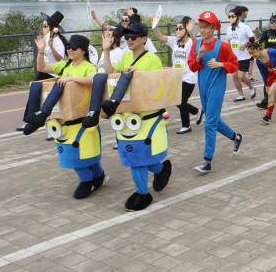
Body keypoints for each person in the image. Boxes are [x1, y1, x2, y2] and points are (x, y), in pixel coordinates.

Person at [22, 34, 107, 199]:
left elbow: (94, 79)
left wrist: (72, 79)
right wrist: (41, 51)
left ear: (83, 50)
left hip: (82, 116)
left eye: (74, 47)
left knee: (86, 153)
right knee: (75, 153)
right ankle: (96, 177)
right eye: (68, 47)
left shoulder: (88, 66)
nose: (70, 50)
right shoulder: (65, 64)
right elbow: (42, 69)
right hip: (65, 118)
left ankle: (88, 180)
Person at [101, 23, 172, 211]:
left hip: (145, 116)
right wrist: (106, 51)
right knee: (136, 156)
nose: (129, 40)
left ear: (144, 38)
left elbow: (158, 85)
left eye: (134, 36)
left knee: (137, 158)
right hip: (126, 115)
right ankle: (161, 169)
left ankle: (142, 193)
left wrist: (139, 74)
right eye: (127, 37)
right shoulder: (125, 56)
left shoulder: (152, 59)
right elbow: (111, 73)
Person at [187, 11, 242, 174]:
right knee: (214, 120)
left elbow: (234, 64)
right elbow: (192, 67)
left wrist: (221, 64)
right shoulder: (196, 45)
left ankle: (207, 161)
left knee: (209, 123)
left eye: (205, 27)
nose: (202, 30)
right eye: (201, 27)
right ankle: (235, 137)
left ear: (213, 28)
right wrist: (199, 57)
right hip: (202, 86)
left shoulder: (222, 46)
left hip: (217, 87)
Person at [153, 15, 201, 134]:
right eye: (176, 29)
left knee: (181, 101)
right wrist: (155, 24)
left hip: (189, 77)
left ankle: (186, 126)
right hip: (176, 77)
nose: (177, 31)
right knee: (177, 101)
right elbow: (160, 36)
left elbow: (199, 46)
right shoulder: (174, 41)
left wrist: (191, 32)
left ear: (186, 30)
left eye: (180, 28)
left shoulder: (190, 42)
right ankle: (197, 112)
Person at [248, 39, 276, 124]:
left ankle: (268, 116)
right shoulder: (258, 61)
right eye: (250, 54)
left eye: (253, 52)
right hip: (271, 75)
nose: (252, 55)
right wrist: (266, 85)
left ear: (259, 49)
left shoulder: (271, 51)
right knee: (272, 95)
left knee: (271, 92)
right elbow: (263, 74)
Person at [226, 6, 257, 102]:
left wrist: (245, 44)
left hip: (244, 56)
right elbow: (228, 42)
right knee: (234, 76)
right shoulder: (228, 29)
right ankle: (241, 94)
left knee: (240, 76)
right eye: (229, 16)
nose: (231, 18)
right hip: (233, 57)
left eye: (233, 16)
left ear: (238, 17)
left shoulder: (245, 27)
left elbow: (253, 40)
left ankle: (251, 87)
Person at [36, 11, 67, 80]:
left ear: (53, 28)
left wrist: (52, 47)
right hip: (44, 70)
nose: (44, 28)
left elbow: (59, 59)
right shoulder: (47, 38)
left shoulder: (58, 42)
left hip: (52, 73)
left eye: (46, 26)